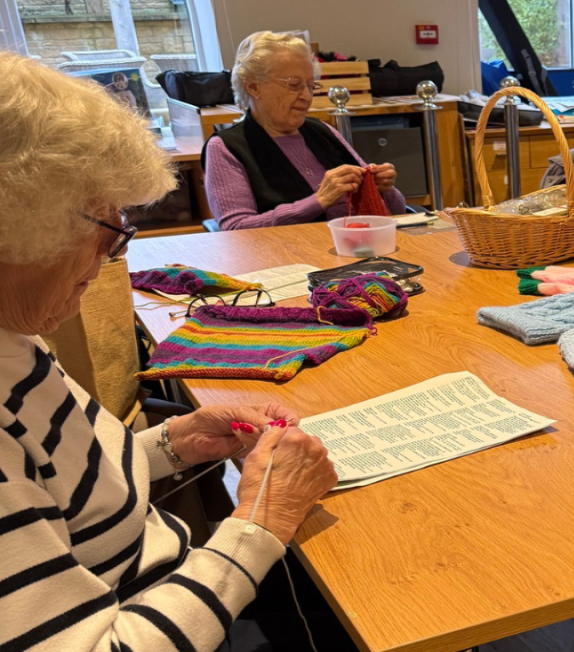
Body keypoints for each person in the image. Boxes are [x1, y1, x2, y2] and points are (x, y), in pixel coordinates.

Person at [0, 52, 340, 651]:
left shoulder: (13, 340)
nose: (112, 257)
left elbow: (62, 487)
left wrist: (171, 444)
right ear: (18, 223)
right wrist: (259, 524)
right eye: (106, 227)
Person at [204, 31, 406, 230]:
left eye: (310, 86)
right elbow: (235, 229)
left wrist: (384, 189)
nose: (306, 96)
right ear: (253, 87)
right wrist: (318, 201)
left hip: (354, 247)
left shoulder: (322, 130)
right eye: (294, 85)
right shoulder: (225, 147)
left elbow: (399, 211)